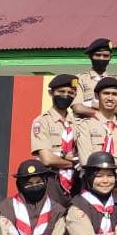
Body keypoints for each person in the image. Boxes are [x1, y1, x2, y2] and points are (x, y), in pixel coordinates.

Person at [75, 77, 117, 201]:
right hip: (91, 185)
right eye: (106, 93)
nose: (110, 98)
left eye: (115, 94)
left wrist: (101, 158)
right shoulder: (85, 126)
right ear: (97, 95)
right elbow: (86, 161)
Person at [30, 74, 81, 207]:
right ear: (51, 92)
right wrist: (75, 162)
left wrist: (60, 157)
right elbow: (47, 159)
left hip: (76, 182)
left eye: (70, 92)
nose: (66, 95)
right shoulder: (41, 122)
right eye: (61, 91)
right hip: (52, 180)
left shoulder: (78, 124)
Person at [72, 38, 117, 118]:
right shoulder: (78, 79)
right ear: (90, 56)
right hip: (86, 126)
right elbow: (78, 108)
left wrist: (89, 104)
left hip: (110, 126)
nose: (101, 58)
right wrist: (103, 113)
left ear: (111, 57)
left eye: (105, 56)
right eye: (98, 55)